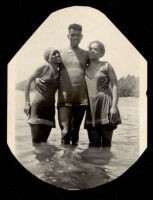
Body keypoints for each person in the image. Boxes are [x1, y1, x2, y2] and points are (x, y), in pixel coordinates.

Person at [35, 24, 89, 145]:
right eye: (72, 35)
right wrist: (36, 79)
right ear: (68, 36)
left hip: (81, 100)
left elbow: (96, 68)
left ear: (82, 36)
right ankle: (64, 161)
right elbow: (46, 68)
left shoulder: (86, 54)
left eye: (78, 35)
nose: (75, 37)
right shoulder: (59, 53)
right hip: (64, 99)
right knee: (65, 133)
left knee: (75, 134)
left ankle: (73, 163)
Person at [85, 41, 121, 147]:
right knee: (93, 144)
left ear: (102, 53)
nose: (92, 50)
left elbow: (115, 85)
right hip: (91, 108)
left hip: (106, 104)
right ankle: (96, 164)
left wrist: (114, 106)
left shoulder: (106, 66)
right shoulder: (84, 68)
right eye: (90, 48)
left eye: (96, 49)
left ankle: (106, 163)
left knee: (106, 143)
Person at [24, 48, 62, 144]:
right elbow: (28, 82)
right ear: (48, 58)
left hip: (50, 110)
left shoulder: (60, 72)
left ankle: (46, 159)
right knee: (36, 142)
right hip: (38, 108)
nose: (58, 55)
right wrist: (27, 103)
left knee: (44, 142)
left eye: (58, 53)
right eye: (54, 53)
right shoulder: (44, 67)